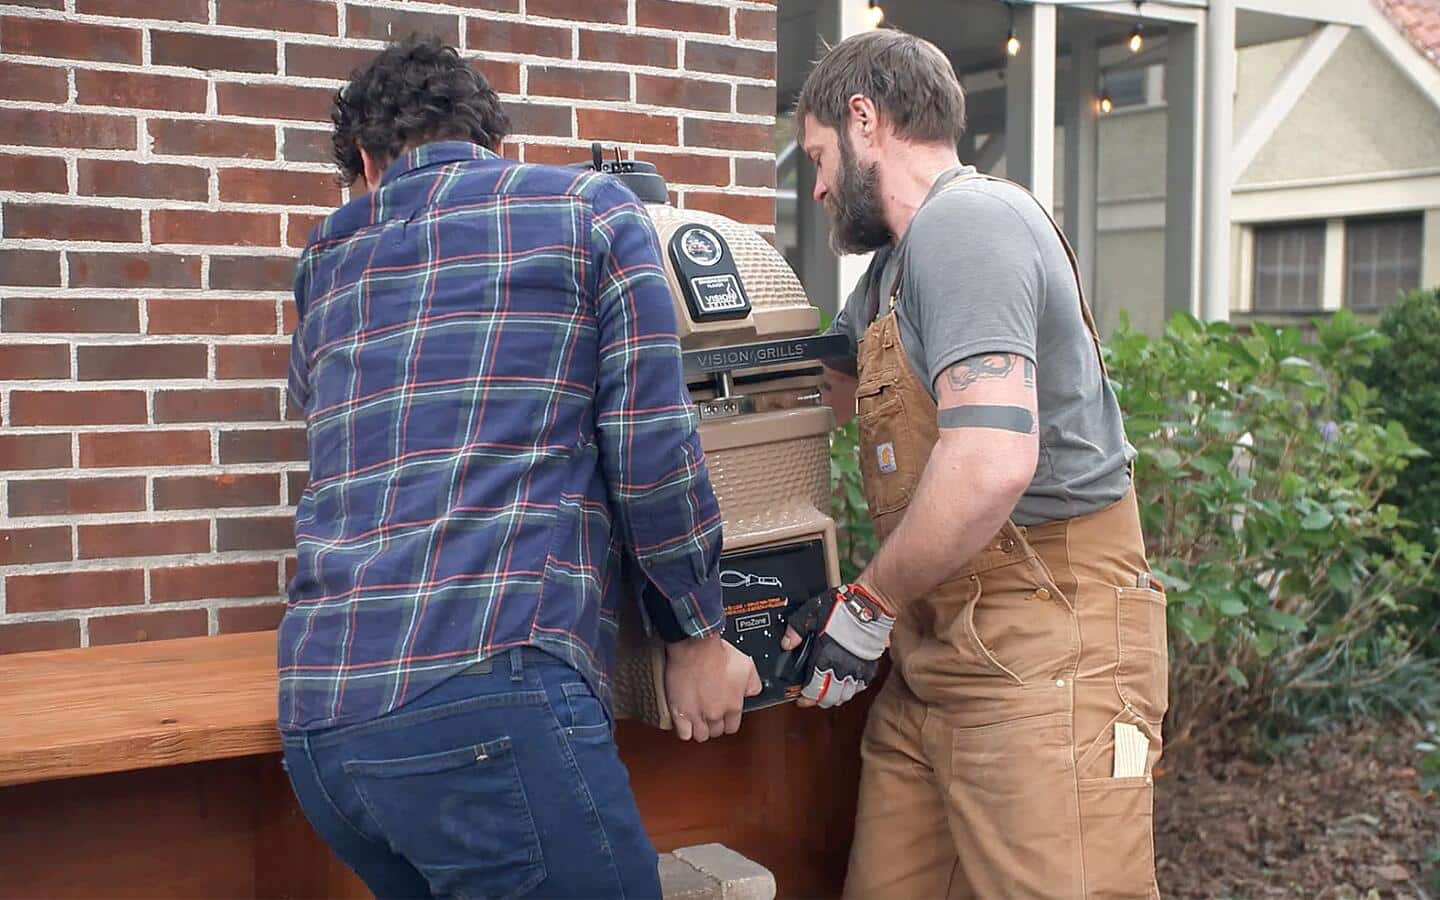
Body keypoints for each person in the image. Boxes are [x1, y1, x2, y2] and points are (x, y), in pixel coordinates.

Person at [277, 36, 760, 899]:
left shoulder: (324, 260)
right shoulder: (592, 214)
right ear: (490, 142)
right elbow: (653, 452)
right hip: (488, 698)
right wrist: (696, 633)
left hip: (322, 733)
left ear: (363, 161)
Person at [780, 29, 1169, 899]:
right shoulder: (893, 267)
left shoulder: (968, 223)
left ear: (864, 118)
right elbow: (816, 387)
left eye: (817, 157)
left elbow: (992, 461)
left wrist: (868, 605)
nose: (817, 186)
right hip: (934, 661)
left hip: (1046, 649)